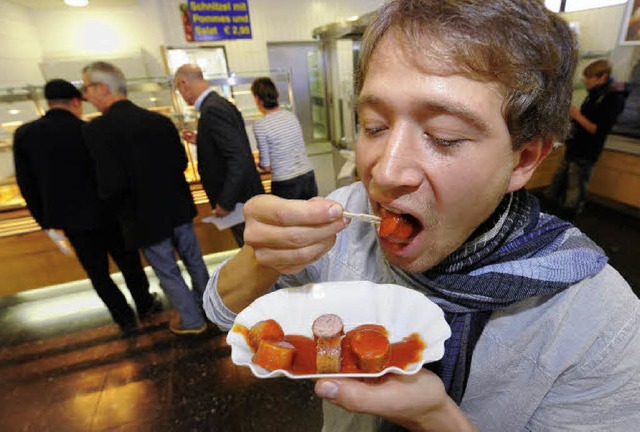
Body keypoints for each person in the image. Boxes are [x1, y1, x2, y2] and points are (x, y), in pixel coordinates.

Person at [203, 0, 640, 431]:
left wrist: (438, 421)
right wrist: (261, 257)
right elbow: (223, 315)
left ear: (524, 159)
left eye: (444, 137)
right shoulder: (345, 215)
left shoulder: (602, 327)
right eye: (373, 126)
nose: (384, 172)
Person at [13, 79, 160, 336]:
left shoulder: (25, 135)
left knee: (97, 273)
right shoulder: (90, 130)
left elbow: (27, 185)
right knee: (129, 263)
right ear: (74, 102)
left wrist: (46, 221)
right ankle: (145, 304)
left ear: (48, 103)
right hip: (108, 213)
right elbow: (109, 173)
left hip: (71, 221)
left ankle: (123, 317)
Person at [81, 61, 209, 336]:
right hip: (177, 208)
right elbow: (180, 163)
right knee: (194, 261)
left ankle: (193, 321)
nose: (85, 96)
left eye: (87, 88)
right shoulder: (159, 121)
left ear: (102, 88)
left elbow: (110, 184)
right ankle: (210, 310)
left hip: (143, 217)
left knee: (167, 271)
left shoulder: (98, 131)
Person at [173, 64, 264, 247]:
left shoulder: (212, 109)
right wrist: (201, 140)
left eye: (178, 89)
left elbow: (238, 158)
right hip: (244, 198)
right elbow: (230, 145)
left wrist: (225, 201)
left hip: (238, 203)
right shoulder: (219, 103)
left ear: (183, 84)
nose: (181, 95)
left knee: (253, 252)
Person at [545, 59, 627, 218]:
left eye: (589, 78)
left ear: (602, 77)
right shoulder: (594, 96)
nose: (585, 81)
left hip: (586, 153)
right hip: (574, 148)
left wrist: (577, 115)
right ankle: (547, 218)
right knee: (556, 184)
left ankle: (568, 225)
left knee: (574, 192)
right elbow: (583, 122)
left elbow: (598, 130)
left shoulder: (613, 99)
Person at [250, 77, 318, 200]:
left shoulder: (260, 125)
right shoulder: (291, 115)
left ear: (258, 99)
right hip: (308, 176)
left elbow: (266, 166)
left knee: (289, 219)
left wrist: (258, 163)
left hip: (285, 183)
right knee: (311, 218)